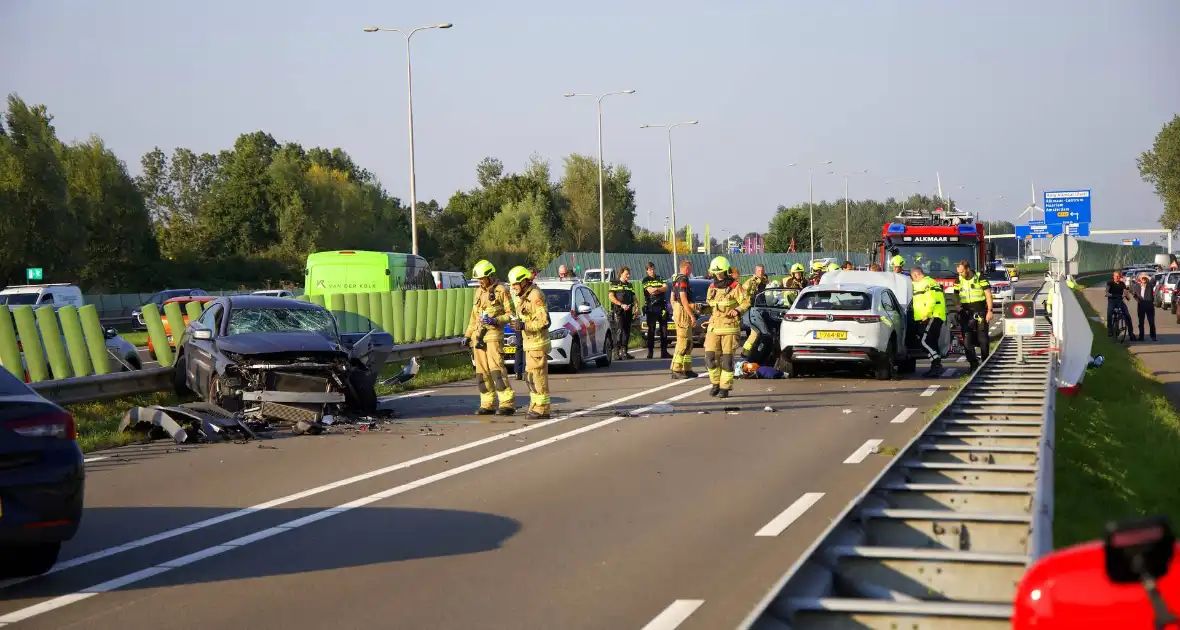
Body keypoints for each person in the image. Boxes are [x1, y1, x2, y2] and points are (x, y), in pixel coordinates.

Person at [464, 260, 516, 415]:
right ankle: (488, 404)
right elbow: (474, 318)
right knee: (481, 373)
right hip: (478, 338)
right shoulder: (478, 292)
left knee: (497, 371)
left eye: (482, 278)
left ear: (489, 276)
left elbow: (511, 314)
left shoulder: (501, 290)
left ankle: (507, 404)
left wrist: (496, 320)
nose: (480, 282)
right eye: (478, 279)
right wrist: (467, 336)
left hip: (493, 336)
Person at [508, 266, 552, 419]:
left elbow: (545, 321)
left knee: (538, 378)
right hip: (530, 344)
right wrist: (519, 323)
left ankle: (542, 408)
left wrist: (524, 325)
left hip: (537, 344)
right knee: (530, 378)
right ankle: (536, 405)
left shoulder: (535, 296)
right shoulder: (524, 296)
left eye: (515, 284)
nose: (513, 288)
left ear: (524, 281)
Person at [703, 256, 750, 398]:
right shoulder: (711, 288)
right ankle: (715, 383)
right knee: (710, 357)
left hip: (729, 327)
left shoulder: (735, 287)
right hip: (713, 327)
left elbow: (746, 302)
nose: (718, 275)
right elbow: (711, 306)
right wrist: (700, 308)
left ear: (726, 271)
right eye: (715, 273)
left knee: (727, 360)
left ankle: (725, 387)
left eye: (720, 272)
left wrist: (737, 310)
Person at [953, 260, 994, 371]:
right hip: (965, 312)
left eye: (961, 272)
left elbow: (988, 294)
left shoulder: (979, 277)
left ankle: (985, 363)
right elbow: (955, 294)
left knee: (983, 339)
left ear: (968, 269)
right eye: (958, 272)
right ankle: (973, 364)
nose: (960, 274)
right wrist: (957, 306)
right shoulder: (959, 279)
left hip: (980, 310)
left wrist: (990, 311)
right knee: (967, 340)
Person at [911, 266, 946, 377]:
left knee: (924, 342)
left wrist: (926, 314)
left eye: (913, 277)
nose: (913, 280)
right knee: (932, 342)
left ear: (916, 275)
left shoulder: (926, 283)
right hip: (933, 316)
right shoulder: (928, 282)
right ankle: (935, 367)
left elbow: (931, 299)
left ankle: (937, 363)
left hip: (931, 316)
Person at [668, 259, 699, 379]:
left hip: (679, 310)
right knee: (683, 342)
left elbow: (672, 298)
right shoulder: (683, 280)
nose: (691, 270)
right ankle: (676, 368)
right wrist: (691, 315)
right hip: (683, 312)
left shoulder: (676, 279)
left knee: (689, 343)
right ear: (686, 268)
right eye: (690, 268)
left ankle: (687, 368)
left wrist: (675, 309)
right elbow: (683, 298)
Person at [739, 265, 771, 357]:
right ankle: (745, 353)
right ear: (755, 271)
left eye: (762, 270)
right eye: (758, 270)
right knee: (756, 332)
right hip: (753, 310)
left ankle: (754, 352)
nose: (760, 272)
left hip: (764, 309)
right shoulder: (750, 282)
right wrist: (748, 302)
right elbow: (743, 295)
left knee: (760, 333)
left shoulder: (766, 282)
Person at [641, 262, 671, 359]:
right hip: (651, 308)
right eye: (650, 269)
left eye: (653, 269)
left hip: (662, 307)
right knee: (651, 330)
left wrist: (656, 289)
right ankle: (650, 352)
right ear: (647, 270)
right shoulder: (645, 280)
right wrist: (659, 289)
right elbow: (650, 290)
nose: (652, 271)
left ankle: (664, 351)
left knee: (664, 330)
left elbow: (666, 288)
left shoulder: (660, 277)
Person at [608, 267, 636, 360]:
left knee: (627, 332)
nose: (628, 276)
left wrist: (637, 307)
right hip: (619, 311)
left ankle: (625, 352)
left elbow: (634, 297)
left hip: (628, 311)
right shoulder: (615, 283)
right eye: (626, 274)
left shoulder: (629, 285)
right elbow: (611, 297)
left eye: (629, 274)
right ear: (621, 274)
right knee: (619, 332)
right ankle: (616, 353)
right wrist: (621, 304)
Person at [1104, 271, 1132, 338]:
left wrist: (1128, 297)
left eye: (1119, 276)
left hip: (1120, 300)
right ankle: (1110, 329)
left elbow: (1125, 292)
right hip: (1112, 300)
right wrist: (1110, 294)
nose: (1117, 277)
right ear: (1113, 276)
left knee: (1127, 314)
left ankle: (1131, 333)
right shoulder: (1110, 283)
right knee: (1109, 313)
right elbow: (1107, 291)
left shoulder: (1122, 283)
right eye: (1116, 276)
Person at [1132, 272, 1157, 341]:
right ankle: (1141, 336)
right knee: (1141, 323)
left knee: (1151, 322)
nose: (1143, 279)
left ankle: (1153, 336)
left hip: (1149, 306)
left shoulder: (1149, 285)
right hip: (1141, 305)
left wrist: (1146, 275)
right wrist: (1138, 300)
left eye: (1144, 278)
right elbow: (1134, 295)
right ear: (1140, 279)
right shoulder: (1137, 285)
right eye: (1142, 278)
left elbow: (1154, 281)